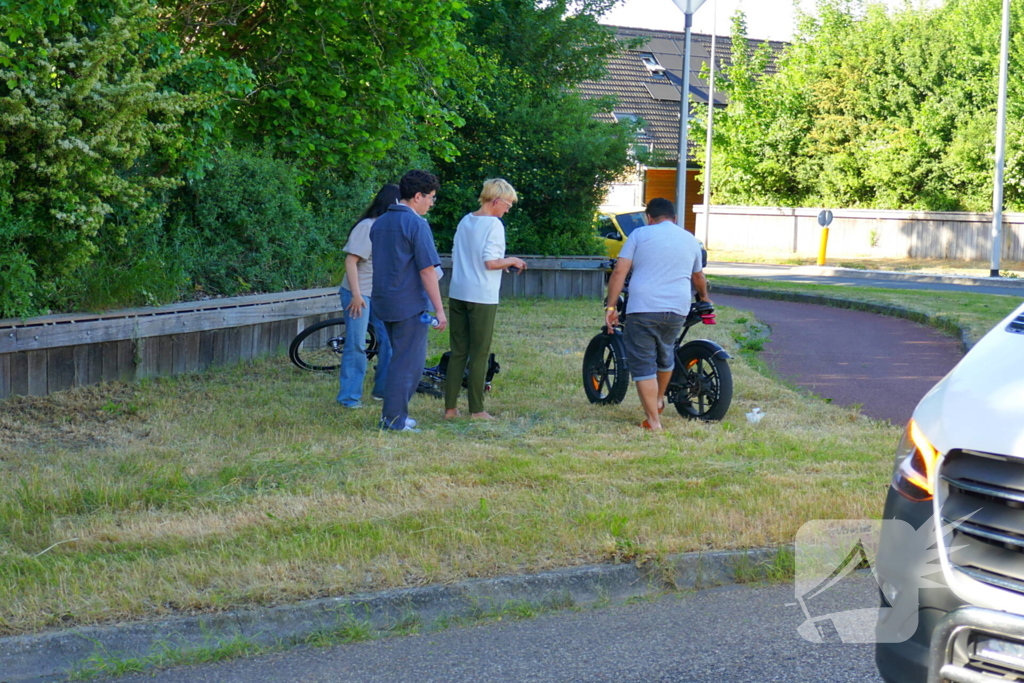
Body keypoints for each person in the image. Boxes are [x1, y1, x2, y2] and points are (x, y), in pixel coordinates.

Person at [603, 198, 711, 431]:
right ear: (675, 218)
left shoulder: (639, 234)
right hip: (677, 307)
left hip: (643, 306)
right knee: (666, 354)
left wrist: (611, 307)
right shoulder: (689, 239)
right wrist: (704, 297)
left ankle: (653, 421)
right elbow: (698, 277)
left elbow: (620, 271)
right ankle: (659, 399)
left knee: (643, 363)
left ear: (649, 217)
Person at [370, 170, 447, 432]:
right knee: (407, 365)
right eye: (431, 197)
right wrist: (439, 310)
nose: (431, 203)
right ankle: (394, 420)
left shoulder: (380, 222)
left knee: (398, 360)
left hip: (384, 301)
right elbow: (427, 271)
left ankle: (395, 416)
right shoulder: (416, 224)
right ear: (417, 196)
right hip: (408, 303)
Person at [443, 179, 527, 420]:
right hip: (481, 296)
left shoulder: (466, 220)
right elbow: (490, 262)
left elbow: (462, 255)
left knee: (458, 351)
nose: (508, 210)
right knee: (479, 353)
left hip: (458, 292)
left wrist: (502, 262)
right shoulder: (494, 224)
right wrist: (512, 260)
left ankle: (450, 409)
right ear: (496, 201)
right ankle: (477, 409)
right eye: (508, 204)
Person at [336, 184, 400, 408]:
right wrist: (356, 295)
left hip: (379, 296)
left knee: (389, 342)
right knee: (356, 345)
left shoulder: (390, 228)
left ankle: (382, 391)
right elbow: (350, 261)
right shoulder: (367, 227)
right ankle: (349, 398)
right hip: (358, 295)